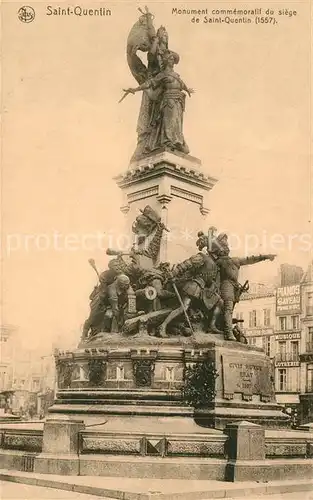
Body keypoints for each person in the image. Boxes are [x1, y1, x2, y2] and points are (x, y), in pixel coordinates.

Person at [124, 51, 194, 155]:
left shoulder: (176, 75)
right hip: (168, 100)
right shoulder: (162, 75)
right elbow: (149, 83)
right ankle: (168, 142)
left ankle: (177, 142)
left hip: (178, 102)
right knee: (169, 121)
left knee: (176, 123)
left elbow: (181, 84)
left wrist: (187, 89)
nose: (172, 61)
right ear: (166, 61)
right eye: (170, 59)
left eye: (173, 60)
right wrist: (135, 89)